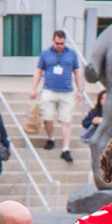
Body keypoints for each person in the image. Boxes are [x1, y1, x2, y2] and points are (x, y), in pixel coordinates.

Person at [29, 28, 84, 161]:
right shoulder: (45, 54)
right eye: (57, 43)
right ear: (53, 41)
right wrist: (34, 89)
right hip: (49, 90)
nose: (59, 46)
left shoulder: (71, 54)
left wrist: (80, 90)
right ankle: (50, 138)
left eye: (62, 43)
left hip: (67, 92)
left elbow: (77, 72)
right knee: (47, 117)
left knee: (66, 120)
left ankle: (66, 148)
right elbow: (38, 71)